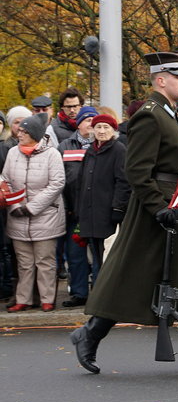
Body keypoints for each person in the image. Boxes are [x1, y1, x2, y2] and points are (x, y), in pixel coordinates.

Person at [70, 52, 178, 373]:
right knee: (133, 276)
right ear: (161, 80)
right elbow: (137, 170)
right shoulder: (150, 115)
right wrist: (158, 207)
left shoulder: (169, 113)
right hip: (160, 209)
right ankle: (89, 334)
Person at [4, 113, 66, 311]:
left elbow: (57, 184)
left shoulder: (52, 154)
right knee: (24, 263)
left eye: (24, 131)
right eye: (19, 130)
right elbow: (5, 180)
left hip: (45, 217)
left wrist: (31, 208)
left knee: (44, 261)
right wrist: (14, 206)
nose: (19, 133)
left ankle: (47, 299)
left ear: (34, 134)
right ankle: (23, 299)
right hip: (17, 217)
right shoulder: (13, 152)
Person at [69, 114, 127, 307]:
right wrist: (78, 208)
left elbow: (123, 181)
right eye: (98, 127)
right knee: (94, 254)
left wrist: (118, 207)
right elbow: (82, 182)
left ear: (114, 130)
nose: (102, 131)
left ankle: (106, 298)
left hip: (106, 213)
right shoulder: (91, 151)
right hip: (89, 213)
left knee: (106, 257)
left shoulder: (118, 150)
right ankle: (98, 297)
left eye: (106, 127)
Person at [58, 105, 98, 307]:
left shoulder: (103, 145)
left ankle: (99, 295)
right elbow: (58, 179)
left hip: (97, 212)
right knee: (75, 255)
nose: (91, 124)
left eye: (94, 120)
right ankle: (79, 293)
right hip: (73, 211)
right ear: (79, 123)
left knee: (98, 255)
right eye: (87, 120)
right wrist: (66, 206)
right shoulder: (65, 145)